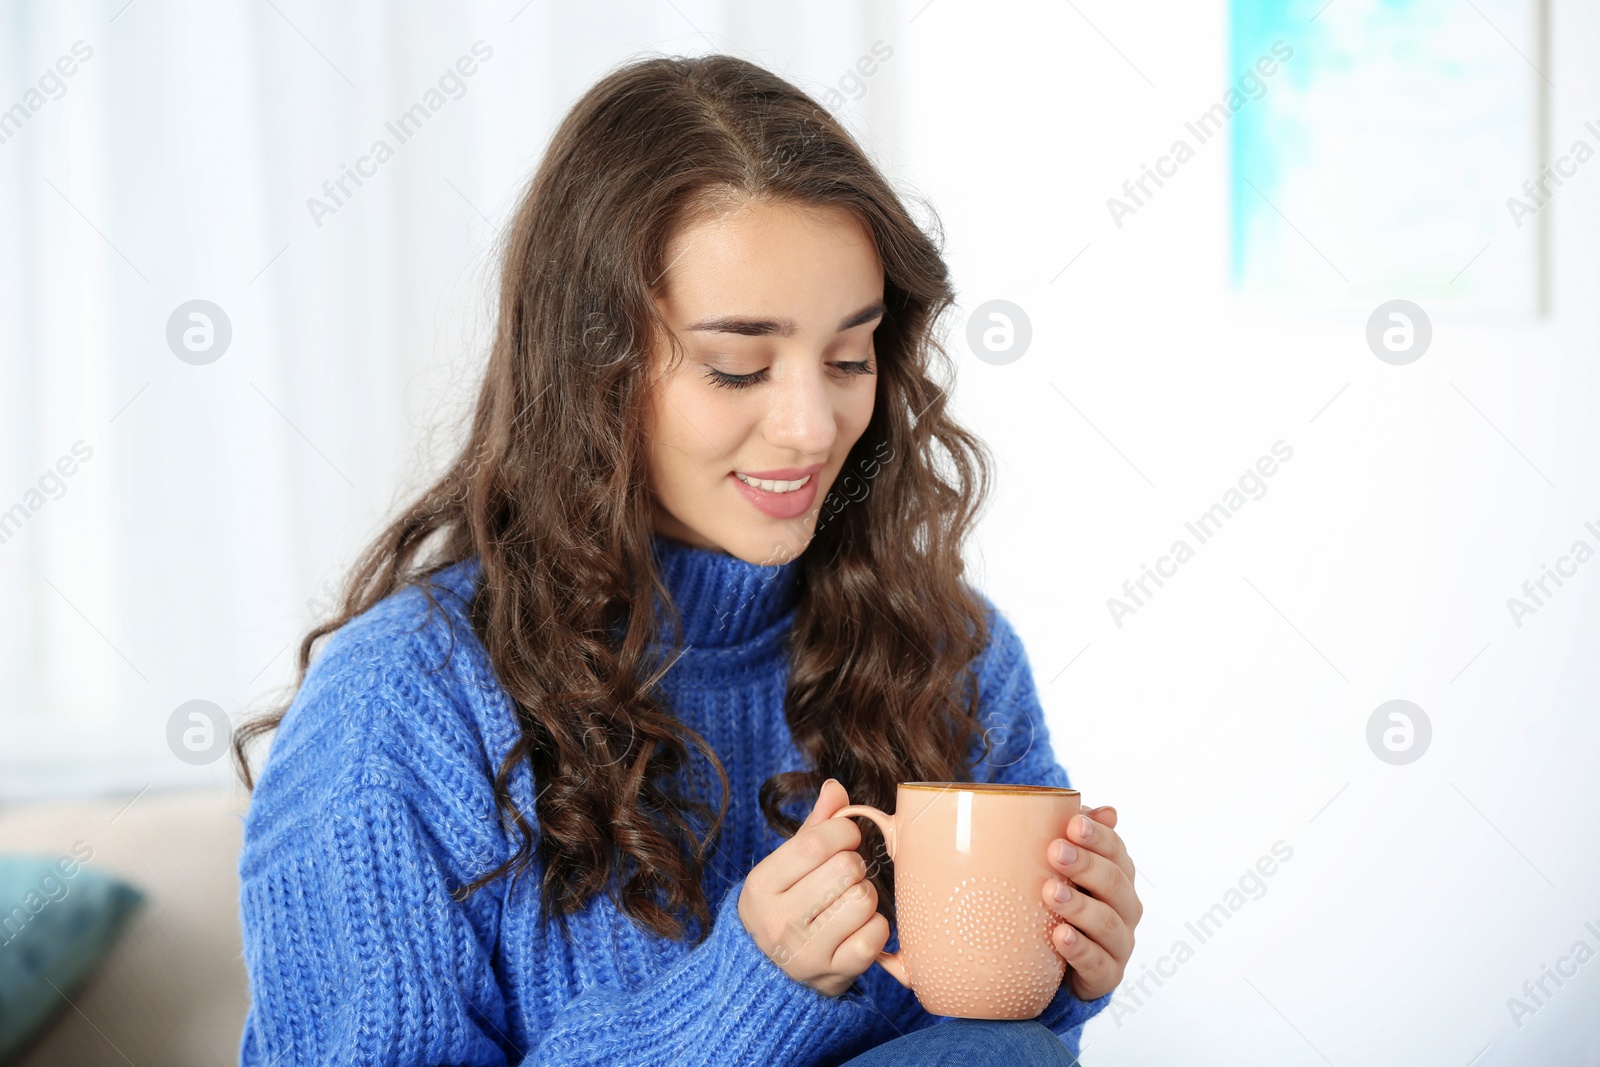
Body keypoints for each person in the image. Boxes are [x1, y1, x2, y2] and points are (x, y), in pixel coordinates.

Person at [231, 52, 1142, 1067]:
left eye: (850, 358)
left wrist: (1057, 969)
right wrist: (745, 995)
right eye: (736, 365)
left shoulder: (949, 650)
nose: (811, 425)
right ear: (594, 370)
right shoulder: (400, 704)